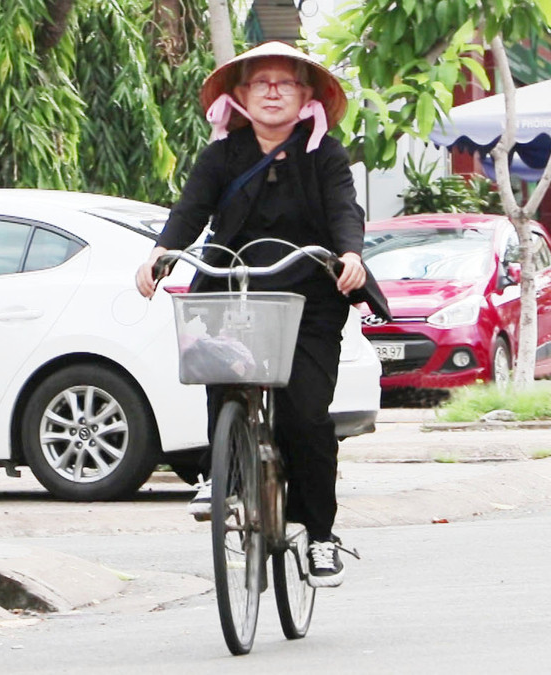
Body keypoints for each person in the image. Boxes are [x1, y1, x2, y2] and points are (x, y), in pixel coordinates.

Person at [134, 41, 389, 588]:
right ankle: (220, 475)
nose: (273, 91)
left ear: (305, 96)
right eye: (261, 82)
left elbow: (346, 210)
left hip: (308, 298)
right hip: (234, 284)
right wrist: (160, 252)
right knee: (219, 375)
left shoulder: (326, 155)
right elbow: (190, 210)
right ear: (242, 95)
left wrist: (349, 255)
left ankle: (319, 534)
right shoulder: (221, 155)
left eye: (286, 83)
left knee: (305, 417)